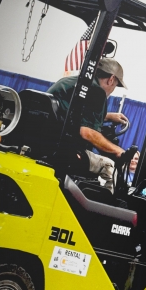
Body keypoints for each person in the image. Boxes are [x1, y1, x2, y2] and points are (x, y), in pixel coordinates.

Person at [47, 58, 128, 192]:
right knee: (109, 165)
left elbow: (71, 113)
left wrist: (107, 116)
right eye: (115, 85)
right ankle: (104, 206)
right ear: (111, 79)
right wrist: (119, 151)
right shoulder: (97, 92)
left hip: (46, 143)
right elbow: (87, 132)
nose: (113, 89)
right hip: (65, 151)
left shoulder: (70, 82)